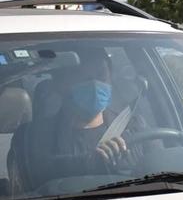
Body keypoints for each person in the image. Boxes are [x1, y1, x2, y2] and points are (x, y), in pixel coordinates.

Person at [13, 51, 145, 189]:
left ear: (110, 78)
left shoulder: (134, 126)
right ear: (61, 85)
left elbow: (157, 163)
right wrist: (90, 162)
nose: (95, 84)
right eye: (84, 78)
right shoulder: (33, 136)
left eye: (101, 76)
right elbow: (35, 174)